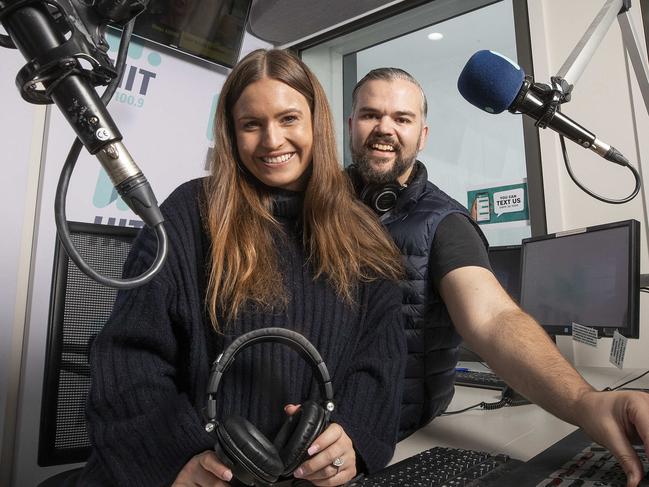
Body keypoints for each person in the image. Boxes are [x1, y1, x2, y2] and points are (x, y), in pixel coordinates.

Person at [77, 50, 407, 487]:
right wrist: (176, 459)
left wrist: (354, 439)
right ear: (233, 135)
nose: (272, 140)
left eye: (289, 119)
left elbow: (379, 362)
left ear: (316, 123)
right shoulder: (189, 213)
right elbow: (128, 357)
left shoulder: (362, 232)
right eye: (252, 124)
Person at [347, 67, 649, 486]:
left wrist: (584, 402)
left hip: (397, 443)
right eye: (370, 115)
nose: (385, 128)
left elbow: (491, 318)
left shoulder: (445, 222)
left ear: (423, 135)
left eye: (402, 118)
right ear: (350, 125)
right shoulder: (318, 208)